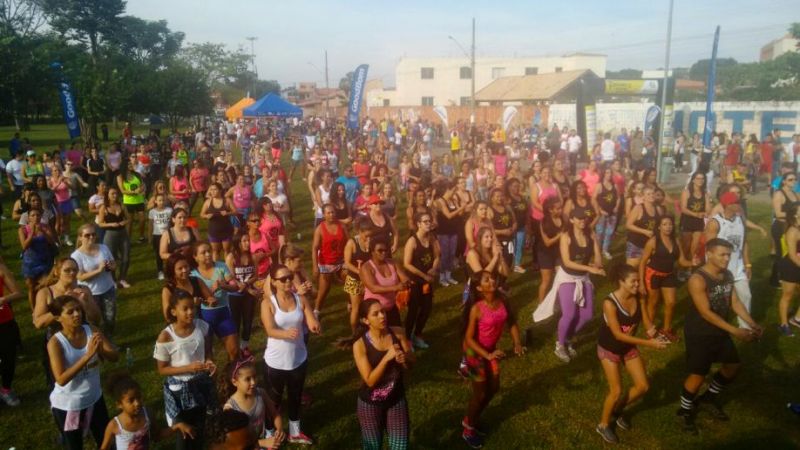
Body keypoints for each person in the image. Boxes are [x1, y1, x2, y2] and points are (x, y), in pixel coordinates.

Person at [677, 238, 762, 434]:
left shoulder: (727, 274)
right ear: (709, 254)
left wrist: (752, 323)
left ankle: (708, 398)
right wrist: (735, 331)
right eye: (722, 254)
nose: (727, 258)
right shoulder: (697, 279)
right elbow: (706, 313)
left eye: (728, 255)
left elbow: (734, 302)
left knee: (732, 365)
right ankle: (684, 411)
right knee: (698, 375)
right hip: (700, 332)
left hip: (720, 329)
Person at [595, 264, 668, 444]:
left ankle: (618, 410)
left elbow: (645, 320)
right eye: (633, 281)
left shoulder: (639, 296)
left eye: (638, 280)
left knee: (643, 386)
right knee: (616, 391)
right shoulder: (609, 303)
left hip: (628, 347)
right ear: (621, 282)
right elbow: (618, 335)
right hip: (610, 348)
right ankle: (603, 425)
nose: (638, 284)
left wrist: (653, 332)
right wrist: (649, 344)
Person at [337, 299, 414, 450]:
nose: (382, 316)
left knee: (400, 446)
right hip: (370, 404)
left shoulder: (398, 333)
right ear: (366, 320)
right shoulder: (360, 344)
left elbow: (412, 361)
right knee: (372, 447)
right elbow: (370, 380)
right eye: (375, 314)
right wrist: (386, 358)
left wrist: (405, 358)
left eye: (383, 311)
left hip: (396, 399)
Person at [461, 271, 524, 448]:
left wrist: (517, 343)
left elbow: (512, 322)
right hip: (475, 352)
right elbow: (469, 339)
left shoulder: (503, 300)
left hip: (490, 351)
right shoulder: (477, 308)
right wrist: (487, 355)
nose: (492, 281)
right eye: (486, 280)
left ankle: (471, 418)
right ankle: (468, 429)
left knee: (494, 388)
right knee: (480, 394)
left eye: (492, 278)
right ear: (479, 288)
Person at [534, 208, 605, 363]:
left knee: (587, 315)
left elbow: (597, 255)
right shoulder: (566, 236)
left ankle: (567, 337)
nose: (583, 221)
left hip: (583, 277)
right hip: (567, 277)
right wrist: (590, 268)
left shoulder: (591, 234)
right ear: (572, 220)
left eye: (584, 218)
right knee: (569, 314)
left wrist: (598, 263)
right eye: (579, 218)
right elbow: (567, 262)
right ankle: (559, 345)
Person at [260, 264, 321, 445]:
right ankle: (269, 434)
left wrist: (315, 325)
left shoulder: (300, 299)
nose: (288, 280)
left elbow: (310, 319)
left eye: (289, 277)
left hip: (298, 359)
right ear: (274, 282)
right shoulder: (268, 303)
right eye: (283, 279)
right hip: (276, 362)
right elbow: (270, 330)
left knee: (295, 396)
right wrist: (285, 334)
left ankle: (294, 432)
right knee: (274, 400)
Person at [48, 295, 119, 449]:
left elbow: (115, 357)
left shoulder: (91, 330)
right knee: (74, 445)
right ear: (58, 318)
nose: (77, 314)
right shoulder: (55, 343)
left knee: (106, 443)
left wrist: (101, 350)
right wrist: (88, 356)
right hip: (69, 406)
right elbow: (61, 379)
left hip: (95, 398)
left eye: (78, 309)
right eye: (70, 312)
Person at [154, 290, 218, 449]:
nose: (190, 312)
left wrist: (209, 361)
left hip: (201, 384)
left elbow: (208, 352)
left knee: (200, 427)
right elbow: (162, 369)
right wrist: (188, 368)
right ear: (173, 311)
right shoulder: (166, 336)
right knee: (184, 433)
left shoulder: (202, 327)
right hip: (179, 390)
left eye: (192, 307)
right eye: (185, 309)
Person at [99, 373, 195, 450]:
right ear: (119, 404)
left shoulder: (148, 414)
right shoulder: (114, 425)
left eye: (139, 397)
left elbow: (157, 436)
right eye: (131, 400)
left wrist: (177, 426)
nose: (137, 403)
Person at [704, 192, 754, 332]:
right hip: (721, 269)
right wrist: (714, 270)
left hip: (738, 266)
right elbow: (709, 249)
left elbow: (744, 242)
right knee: (717, 301)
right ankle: (715, 326)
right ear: (727, 205)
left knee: (746, 295)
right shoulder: (715, 223)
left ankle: (746, 327)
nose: (740, 204)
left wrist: (747, 264)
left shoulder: (740, 219)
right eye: (736, 202)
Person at [220, 358, 284, 449]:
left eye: (254, 377)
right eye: (247, 379)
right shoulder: (230, 408)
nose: (253, 382)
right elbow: (234, 444)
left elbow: (275, 413)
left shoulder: (261, 393)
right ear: (234, 382)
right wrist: (262, 443)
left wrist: (279, 429)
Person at [191, 242, 240, 361]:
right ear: (195, 257)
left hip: (223, 313)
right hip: (204, 317)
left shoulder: (221, 266)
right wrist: (202, 300)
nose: (208, 254)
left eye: (209, 251)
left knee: (234, 350)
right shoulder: (192, 274)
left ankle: (232, 371)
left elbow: (235, 286)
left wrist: (224, 286)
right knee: (208, 354)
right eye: (203, 253)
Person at [71, 223, 118, 335]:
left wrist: (112, 266)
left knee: (110, 318)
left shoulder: (103, 248)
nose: (91, 237)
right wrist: (98, 270)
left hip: (108, 288)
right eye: (87, 235)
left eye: (93, 234)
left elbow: (114, 263)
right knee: (93, 320)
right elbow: (80, 277)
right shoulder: (76, 256)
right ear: (80, 237)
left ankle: (108, 337)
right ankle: (95, 339)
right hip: (90, 294)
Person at [403, 211, 441, 350]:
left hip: (427, 281)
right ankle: (407, 338)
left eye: (429, 221)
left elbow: (437, 256)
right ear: (418, 224)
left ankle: (417, 335)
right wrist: (424, 276)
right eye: (425, 221)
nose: (429, 224)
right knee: (413, 311)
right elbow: (407, 264)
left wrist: (434, 268)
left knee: (426, 309)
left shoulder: (432, 238)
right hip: (415, 281)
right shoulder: (412, 241)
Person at [225, 232, 260, 353]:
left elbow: (255, 276)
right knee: (235, 323)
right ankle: (234, 348)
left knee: (248, 321)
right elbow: (230, 278)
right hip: (234, 295)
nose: (248, 243)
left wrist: (246, 285)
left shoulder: (253, 257)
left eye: (248, 240)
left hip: (248, 295)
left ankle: (244, 346)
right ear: (238, 243)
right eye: (244, 241)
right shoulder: (231, 257)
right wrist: (248, 288)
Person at [311, 203, 347, 316]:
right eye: (328, 213)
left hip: (341, 260)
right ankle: (316, 311)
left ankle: (352, 303)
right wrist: (315, 266)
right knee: (324, 290)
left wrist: (348, 259)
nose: (331, 215)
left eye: (333, 212)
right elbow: (314, 248)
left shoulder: (342, 226)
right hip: (326, 262)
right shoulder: (320, 229)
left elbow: (348, 242)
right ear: (324, 215)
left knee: (349, 280)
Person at [19, 207, 57, 309]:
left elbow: (52, 242)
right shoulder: (23, 230)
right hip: (30, 263)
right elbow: (24, 246)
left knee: (47, 284)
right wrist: (32, 233)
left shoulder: (45, 227)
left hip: (44, 261)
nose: (36, 217)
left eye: (38, 215)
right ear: (28, 218)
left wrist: (43, 232)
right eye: (33, 215)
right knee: (31, 287)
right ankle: (33, 310)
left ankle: (46, 306)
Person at [0, 257, 24, 406]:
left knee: (8, 357)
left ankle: (6, 389)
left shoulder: (1, 269)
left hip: (4, 321)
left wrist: (3, 299)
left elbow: (18, 292)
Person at [98, 186, 132, 288]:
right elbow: (100, 223)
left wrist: (124, 222)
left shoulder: (121, 205)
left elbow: (129, 218)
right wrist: (111, 224)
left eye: (116, 193)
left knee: (126, 256)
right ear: (107, 195)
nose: (115, 195)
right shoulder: (104, 208)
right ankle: (112, 280)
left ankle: (122, 278)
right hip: (110, 234)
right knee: (110, 258)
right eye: (112, 193)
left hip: (123, 233)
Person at [343, 218, 373, 331]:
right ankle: (354, 332)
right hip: (355, 280)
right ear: (360, 232)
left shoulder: (372, 242)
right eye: (366, 236)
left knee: (368, 305)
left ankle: (368, 328)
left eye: (370, 235)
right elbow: (347, 263)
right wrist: (359, 271)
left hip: (368, 279)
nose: (369, 238)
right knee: (355, 307)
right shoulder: (352, 243)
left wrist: (370, 247)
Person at [770, 172, 799, 287]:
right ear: (784, 181)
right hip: (780, 227)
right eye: (790, 179)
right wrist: (793, 215)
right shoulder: (779, 194)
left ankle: (787, 276)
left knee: (792, 251)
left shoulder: (794, 193)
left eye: (795, 179)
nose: (793, 181)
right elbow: (777, 213)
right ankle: (776, 279)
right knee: (781, 253)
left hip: (791, 226)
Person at [625, 186, 663, 268]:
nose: (651, 196)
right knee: (632, 268)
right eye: (648, 194)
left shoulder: (658, 209)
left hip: (650, 244)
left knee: (646, 267)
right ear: (643, 197)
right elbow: (628, 225)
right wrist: (644, 231)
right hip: (635, 243)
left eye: (653, 193)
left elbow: (660, 225)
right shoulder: (638, 208)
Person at [778, 202, 800, 335]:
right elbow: (792, 255)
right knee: (788, 295)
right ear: (795, 214)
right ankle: (784, 324)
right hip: (790, 266)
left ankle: (796, 318)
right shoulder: (792, 231)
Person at [201, 182, 236, 262]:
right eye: (211, 190)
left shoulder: (227, 200)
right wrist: (206, 216)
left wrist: (227, 213)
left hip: (226, 230)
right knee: (215, 251)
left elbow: (235, 211)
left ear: (220, 190)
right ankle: (217, 268)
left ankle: (228, 266)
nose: (212, 192)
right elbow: (202, 214)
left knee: (227, 250)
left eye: (215, 189)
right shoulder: (208, 202)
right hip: (214, 231)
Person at [680, 172, 710, 264]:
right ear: (693, 180)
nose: (700, 180)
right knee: (686, 245)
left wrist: (705, 213)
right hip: (687, 221)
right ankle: (682, 263)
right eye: (698, 178)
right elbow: (683, 208)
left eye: (702, 179)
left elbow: (708, 209)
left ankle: (691, 264)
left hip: (699, 222)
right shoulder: (686, 192)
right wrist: (695, 214)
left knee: (695, 245)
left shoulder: (705, 194)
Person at [592, 166, 620, 260]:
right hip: (602, 214)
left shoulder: (615, 186)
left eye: (610, 173)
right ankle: (597, 250)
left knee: (609, 232)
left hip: (612, 214)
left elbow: (618, 198)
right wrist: (600, 210)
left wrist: (616, 207)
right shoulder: (599, 186)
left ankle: (605, 250)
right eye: (607, 173)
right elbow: (593, 199)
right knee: (599, 232)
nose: (609, 175)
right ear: (603, 174)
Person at [117, 160, 147, 243]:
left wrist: (142, 189)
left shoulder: (137, 174)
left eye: (131, 164)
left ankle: (141, 237)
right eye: (128, 164)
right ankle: (128, 240)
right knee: (129, 222)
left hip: (140, 200)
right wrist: (134, 192)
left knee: (143, 219)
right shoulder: (120, 176)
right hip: (128, 202)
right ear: (124, 165)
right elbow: (122, 191)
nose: (131, 165)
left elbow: (143, 185)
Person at [148, 193, 173, 280]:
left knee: (169, 253)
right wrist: (150, 237)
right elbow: (150, 225)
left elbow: (172, 223)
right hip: (157, 235)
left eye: (163, 200)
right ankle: (160, 271)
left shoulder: (169, 210)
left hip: (167, 235)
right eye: (159, 200)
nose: (161, 202)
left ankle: (170, 269)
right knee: (159, 254)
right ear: (155, 201)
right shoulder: (152, 212)